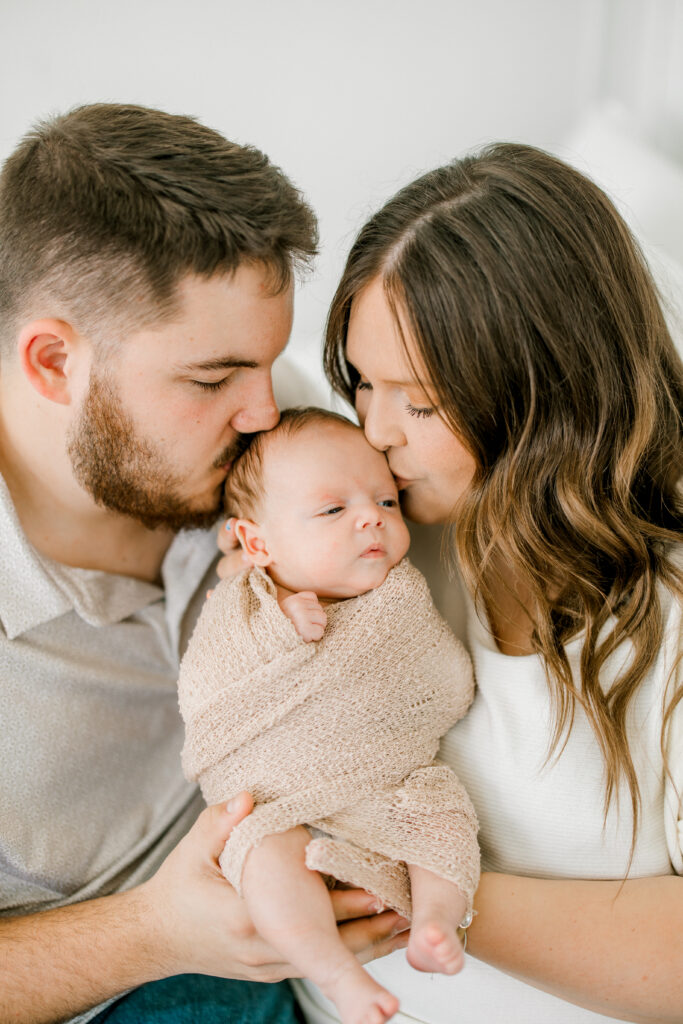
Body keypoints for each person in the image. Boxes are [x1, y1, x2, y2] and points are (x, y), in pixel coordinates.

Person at [217, 142, 683, 1024]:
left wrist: (411, 879)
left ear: (549, 398)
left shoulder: (665, 615)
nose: (375, 431)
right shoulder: (383, 524)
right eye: (362, 382)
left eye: (420, 403)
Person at [0, 104, 411, 1024]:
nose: (266, 410)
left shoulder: (269, 441)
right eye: (212, 377)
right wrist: (154, 933)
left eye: (268, 362)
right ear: (55, 363)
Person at [178, 407, 480, 1024]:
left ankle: (436, 920)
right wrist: (276, 629)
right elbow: (209, 676)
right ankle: (335, 973)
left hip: (386, 783)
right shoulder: (244, 599)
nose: (372, 516)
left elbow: (443, 678)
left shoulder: (399, 595)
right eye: (332, 510)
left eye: (387, 502)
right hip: (281, 797)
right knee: (262, 851)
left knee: (443, 815)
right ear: (258, 543)